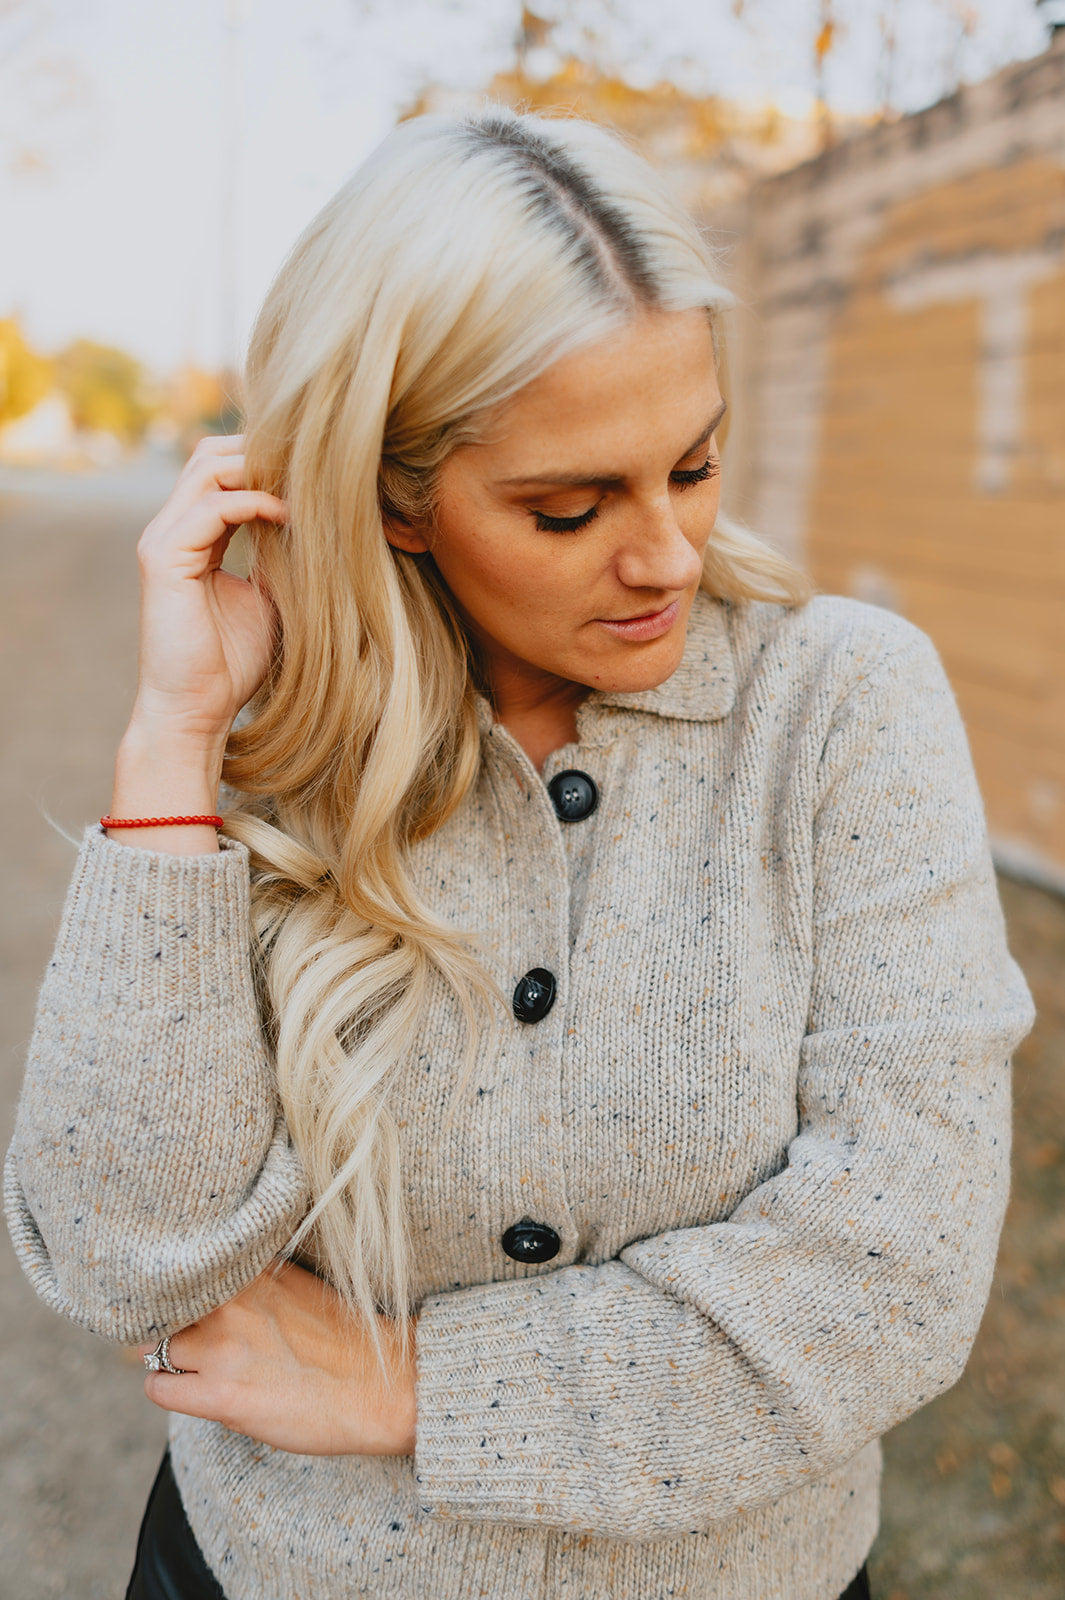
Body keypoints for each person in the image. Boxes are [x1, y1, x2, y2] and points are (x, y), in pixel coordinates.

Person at [5, 106, 1034, 1600]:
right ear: (397, 500)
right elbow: (125, 1259)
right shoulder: (265, 738)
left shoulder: (841, 706)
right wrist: (172, 740)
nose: (667, 556)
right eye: (569, 507)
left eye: (695, 465)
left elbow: (894, 1275)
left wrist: (409, 1382)